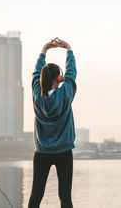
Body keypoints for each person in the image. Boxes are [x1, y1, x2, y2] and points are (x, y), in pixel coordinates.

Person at [28, 37, 77, 208]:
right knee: (65, 197)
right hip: (64, 151)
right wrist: (68, 49)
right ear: (59, 77)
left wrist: (44, 50)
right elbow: (71, 75)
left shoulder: (36, 95)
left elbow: (36, 73)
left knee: (36, 195)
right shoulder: (65, 95)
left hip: (41, 152)